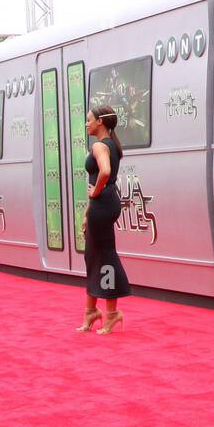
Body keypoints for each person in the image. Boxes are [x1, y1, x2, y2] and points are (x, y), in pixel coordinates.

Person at [77, 105, 131, 334]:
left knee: (105, 256)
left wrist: (96, 191)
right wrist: (87, 212)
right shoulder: (112, 145)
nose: (86, 123)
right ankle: (91, 311)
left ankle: (111, 313)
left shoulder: (99, 145)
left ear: (100, 122)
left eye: (89, 120)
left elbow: (105, 172)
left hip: (103, 202)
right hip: (103, 205)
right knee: (93, 255)